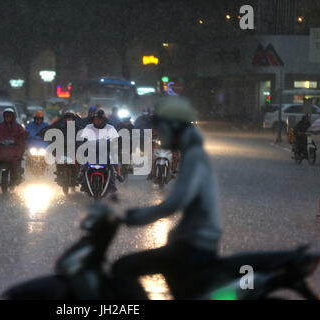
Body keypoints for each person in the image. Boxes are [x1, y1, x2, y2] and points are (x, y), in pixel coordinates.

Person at [111, 96, 221, 299]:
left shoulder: (195, 155)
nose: (159, 132)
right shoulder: (191, 152)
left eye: (161, 127)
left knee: (123, 267)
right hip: (186, 242)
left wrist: (134, 217)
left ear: (174, 126)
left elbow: (175, 202)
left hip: (194, 246)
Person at [79, 109, 124, 195]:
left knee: (113, 160)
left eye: (100, 119)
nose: (98, 121)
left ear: (103, 119)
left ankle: (117, 176)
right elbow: (82, 139)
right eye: (96, 119)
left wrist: (115, 146)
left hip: (105, 151)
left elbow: (116, 140)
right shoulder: (88, 127)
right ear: (94, 119)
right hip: (91, 150)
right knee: (83, 163)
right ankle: (81, 178)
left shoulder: (110, 128)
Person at [37, 110, 86, 184]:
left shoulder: (78, 127)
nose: (68, 120)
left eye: (70, 118)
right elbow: (50, 129)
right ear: (64, 119)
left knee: (78, 162)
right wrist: (44, 133)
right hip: (61, 149)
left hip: (73, 149)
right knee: (58, 160)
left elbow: (84, 134)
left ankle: (78, 176)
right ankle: (59, 173)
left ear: (73, 119)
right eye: (67, 118)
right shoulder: (59, 126)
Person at [0, 108, 28, 184]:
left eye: (9, 116)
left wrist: (21, 139)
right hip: (2, 150)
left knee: (17, 160)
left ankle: (17, 175)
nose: (8, 118)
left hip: (14, 150)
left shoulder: (18, 127)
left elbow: (22, 134)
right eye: (6, 116)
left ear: (12, 117)